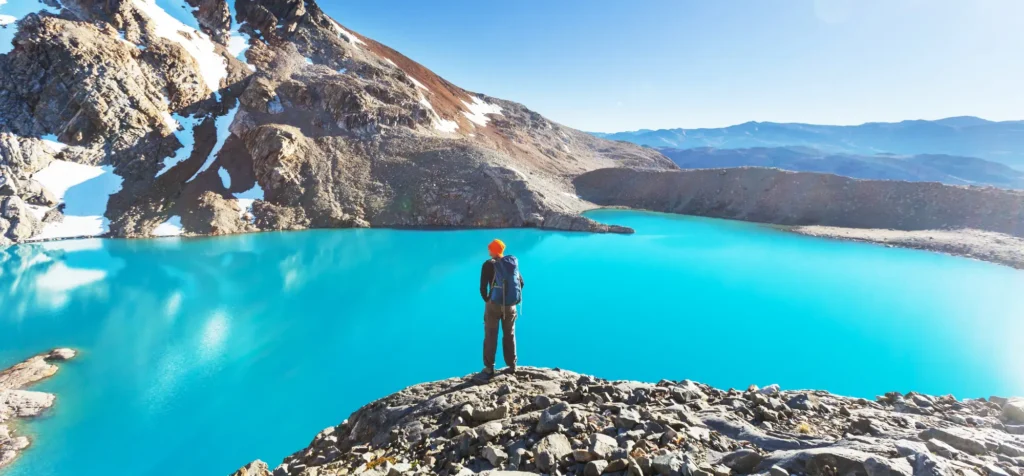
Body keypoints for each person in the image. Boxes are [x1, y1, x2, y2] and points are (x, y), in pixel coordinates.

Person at [480, 239, 524, 376]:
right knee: (509, 334)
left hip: (494, 305)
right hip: (510, 306)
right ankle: (512, 365)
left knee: (491, 335)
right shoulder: (510, 264)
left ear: (493, 250)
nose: (488, 250)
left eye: (489, 248)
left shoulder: (488, 265)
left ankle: (489, 368)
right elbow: (521, 283)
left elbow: (482, 288)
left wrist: (489, 299)